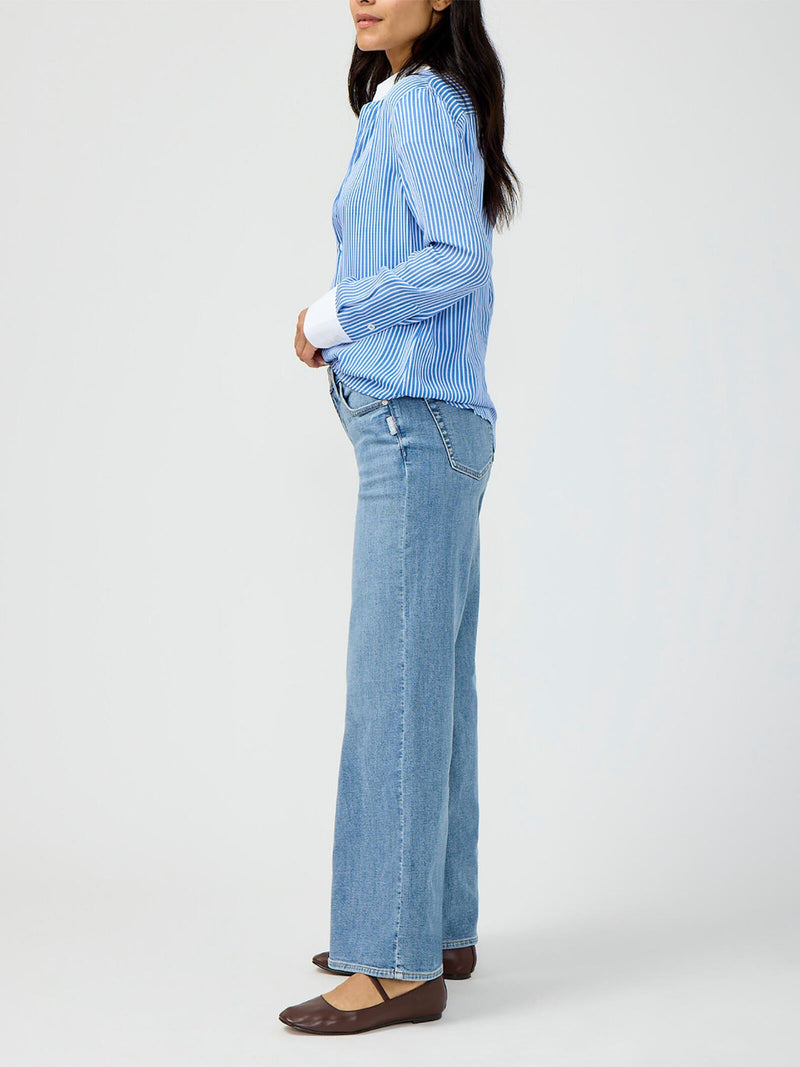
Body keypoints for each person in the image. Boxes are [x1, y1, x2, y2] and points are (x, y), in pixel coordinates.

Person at [283, 0, 520, 1035]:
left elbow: (454, 259)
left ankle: (393, 956)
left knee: (393, 685)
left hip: (414, 428)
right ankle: (434, 921)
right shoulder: (416, 101)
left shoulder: (419, 102)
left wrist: (326, 316)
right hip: (434, 427)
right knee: (432, 686)